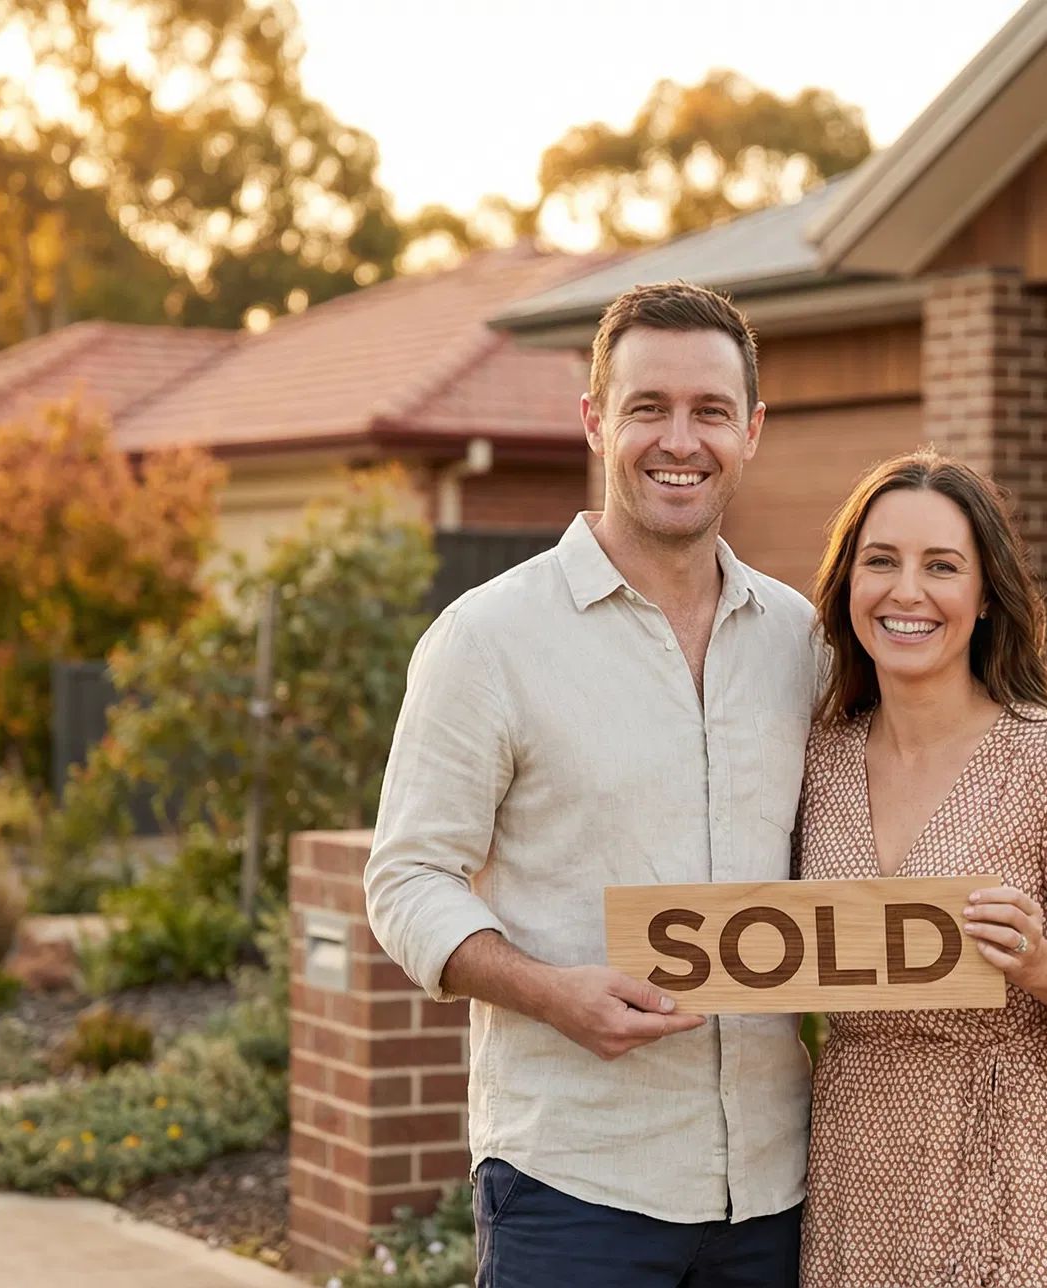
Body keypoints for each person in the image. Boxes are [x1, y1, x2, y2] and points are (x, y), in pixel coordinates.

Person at [363, 281, 817, 1288]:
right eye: (647, 407)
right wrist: (549, 992)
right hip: (577, 1188)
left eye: (709, 411)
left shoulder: (801, 640)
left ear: (752, 430)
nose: (679, 440)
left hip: (776, 1187)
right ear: (594, 421)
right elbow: (406, 881)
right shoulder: (488, 640)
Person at [795, 450, 1047, 1288]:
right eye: (881, 562)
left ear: (983, 599)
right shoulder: (817, 762)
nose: (908, 592)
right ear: (847, 588)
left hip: (1014, 1171)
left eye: (942, 566)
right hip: (852, 1171)